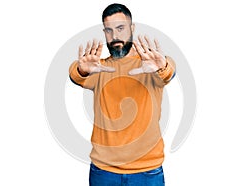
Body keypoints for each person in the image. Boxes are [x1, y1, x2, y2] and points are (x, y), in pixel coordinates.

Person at [69, 3, 176, 186]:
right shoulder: (100, 69)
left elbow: (169, 72)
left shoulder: (153, 65)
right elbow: (75, 75)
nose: (115, 36)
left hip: (147, 171)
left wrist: (162, 66)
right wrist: (81, 69)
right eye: (109, 30)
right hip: (104, 171)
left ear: (132, 28)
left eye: (120, 28)